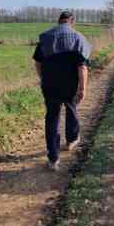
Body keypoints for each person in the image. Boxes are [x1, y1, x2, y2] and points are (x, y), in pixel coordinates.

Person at [33, 11, 92, 170]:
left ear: (59, 21)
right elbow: (82, 67)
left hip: (50, 85)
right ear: (72, 21)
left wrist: (42, 78)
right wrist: (83, 88)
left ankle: (53, 158)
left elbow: (38, 63)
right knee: (72, 109)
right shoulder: (79, 38)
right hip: (70, 85)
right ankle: (71, 140)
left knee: (52, 117)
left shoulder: (45, 37)